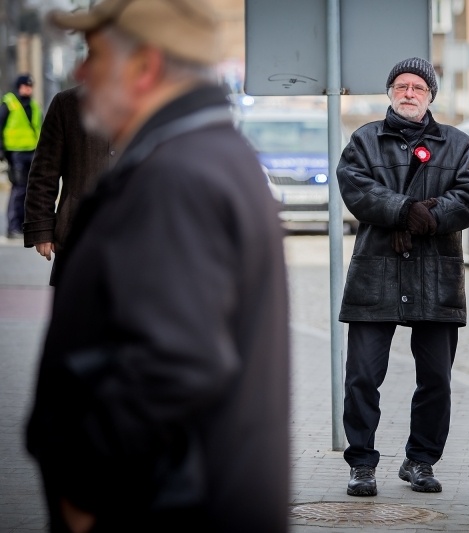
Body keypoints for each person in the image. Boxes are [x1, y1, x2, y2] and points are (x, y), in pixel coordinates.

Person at [25, 0, 290, 531]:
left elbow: (174, 362)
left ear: (144, 68)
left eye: (94, 56)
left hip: (161, 508)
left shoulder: (177, 177)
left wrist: (85, 489)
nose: (80, 72)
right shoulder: (204, 153)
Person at [337, 57, 469, 497]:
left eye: (418, 87)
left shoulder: (458, 143)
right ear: (389, 92)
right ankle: (361, 464)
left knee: (436, 377)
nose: (409, 93)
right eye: (401, 85)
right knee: (362, 376)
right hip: (375, 275)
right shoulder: (363, 140)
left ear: (431, 95)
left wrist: (426, 218)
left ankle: (420, 460)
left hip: (435, 277)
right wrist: (403, 209)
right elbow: (355, 188)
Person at [23, 85, 113, 285]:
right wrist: (41, 228)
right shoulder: (67, 103)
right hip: (77, 235)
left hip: (138, 238)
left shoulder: (154, 101)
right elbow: (44, 172)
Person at [0, 74, 41, 239]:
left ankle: (25, 225)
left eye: (30, 86)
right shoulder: (9, 104)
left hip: (33, 152)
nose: (28, 88)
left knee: (31, 190)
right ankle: (13, 227)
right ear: (19, 87)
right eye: (25, 86)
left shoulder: (34, 106)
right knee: (18, 189)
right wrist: (1, 151)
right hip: (15, 153)